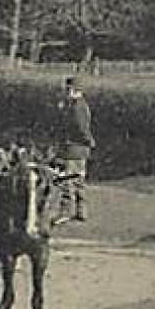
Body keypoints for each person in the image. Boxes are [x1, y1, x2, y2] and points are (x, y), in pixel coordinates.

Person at [51, 74, 95, 223]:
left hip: (73, 148)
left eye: (68, 89)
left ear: (74, 90)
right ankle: (81, 211)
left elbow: (80, 128)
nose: (66, 92)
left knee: (67, 180)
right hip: (80, 150)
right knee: (79, 181)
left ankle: (65, 211)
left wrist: (89, 140)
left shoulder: (76, 108)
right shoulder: (80, 105)